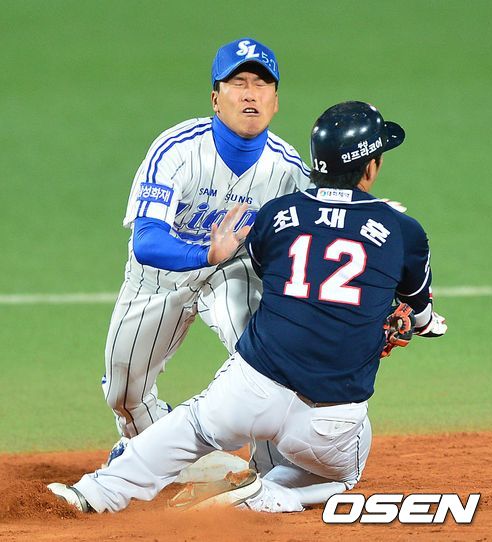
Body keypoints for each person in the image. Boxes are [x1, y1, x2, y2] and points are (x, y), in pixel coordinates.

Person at [48, 101, 446, 513]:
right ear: (371, 168)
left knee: (194, 425)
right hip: (330, 422)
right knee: (340, 477)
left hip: (251, 390)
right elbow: (418, 314)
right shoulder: (404, 231)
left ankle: (95, 492)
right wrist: (403, 323)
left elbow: (275, 276)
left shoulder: (277, 213)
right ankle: (264, 496)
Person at [101, 37, 311, 468]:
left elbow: (317, 243)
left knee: (263, 360)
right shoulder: (177, 149)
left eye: (262, 84)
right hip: (161, 274)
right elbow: (146, 240)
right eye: (238, 83)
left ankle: (273, 470)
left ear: (275, 102)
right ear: (216, 99)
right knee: (124, 394)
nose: (250, 94)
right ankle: (161, 454)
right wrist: (205, 254)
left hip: (234, 272)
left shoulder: (289, 170)